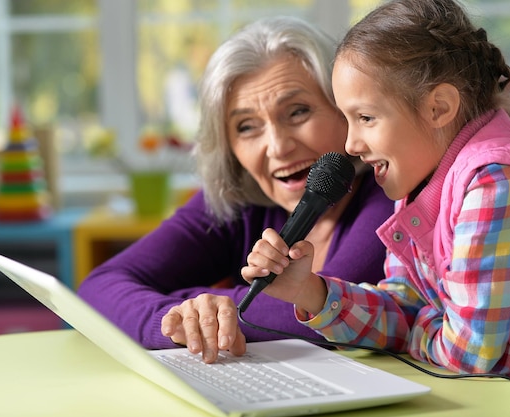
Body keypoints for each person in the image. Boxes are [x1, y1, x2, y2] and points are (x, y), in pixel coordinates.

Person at [241, 1, 510, 416]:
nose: (349, 145)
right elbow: (405, 303)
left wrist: (413, 327)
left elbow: (468, 356)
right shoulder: (421, 185)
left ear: (438, 107)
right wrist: (311, 292)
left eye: (365, 117)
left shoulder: (497, 185)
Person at [77, 16, 394, 364]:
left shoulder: (389, 196)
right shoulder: (238, 201)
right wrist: (180, 318)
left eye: (298, 112)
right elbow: (99, 287)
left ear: (345, 109)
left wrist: (215, 307)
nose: (276, 147)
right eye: (247, 127)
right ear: (229, 147)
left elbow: (325, 313)